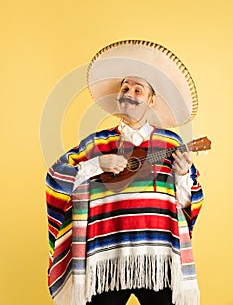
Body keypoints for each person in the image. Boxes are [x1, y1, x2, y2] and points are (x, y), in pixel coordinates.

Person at [45, 40, 204, 305]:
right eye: (125, 87)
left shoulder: (170, 144)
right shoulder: (96, 144)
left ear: (151, 100)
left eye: (138, 90)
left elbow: (188, 203)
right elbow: (55, 178)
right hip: (106, 257)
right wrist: (98, 164)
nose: (129, 92)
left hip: (157, 256)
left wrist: (183, 174)